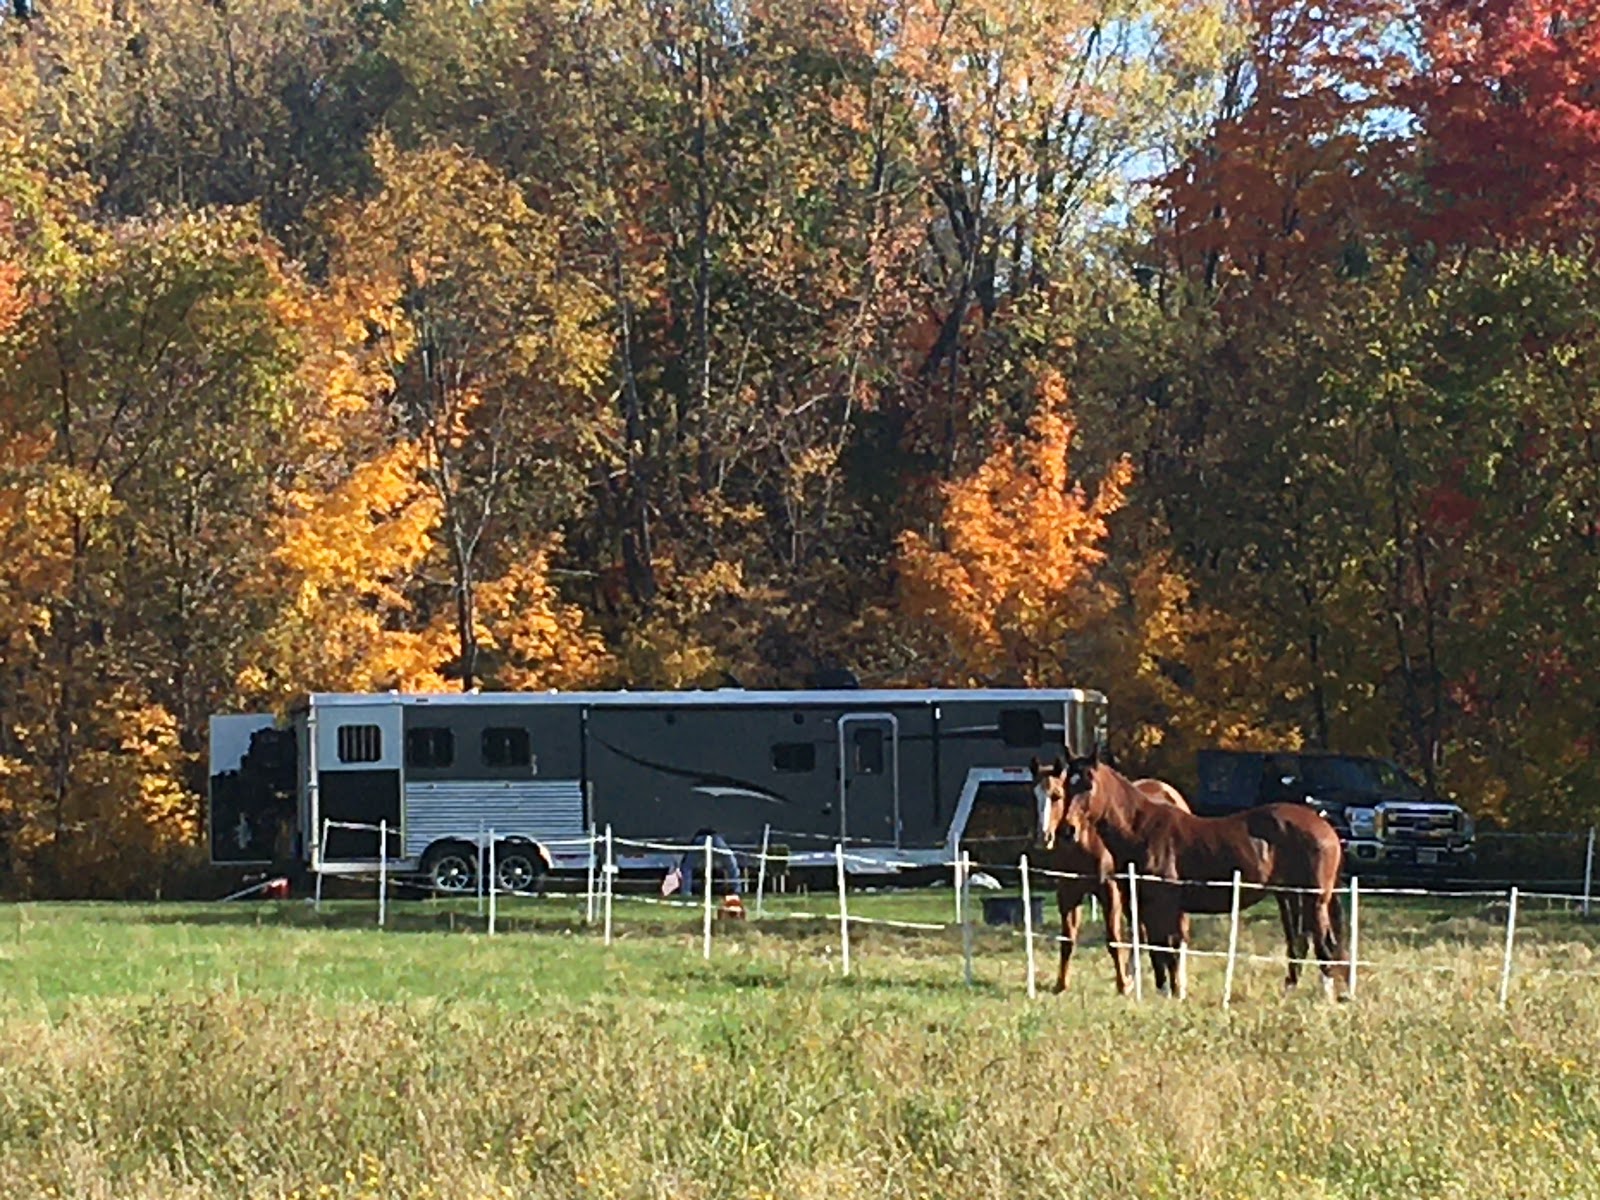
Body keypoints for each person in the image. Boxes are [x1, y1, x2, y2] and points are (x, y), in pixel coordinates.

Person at [661, 828, 742, 902]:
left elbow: (686, 864)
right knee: (732, 865)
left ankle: (686, 893)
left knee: (687, 868)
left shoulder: (696, 838)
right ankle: (736, 890)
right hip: (713, 839)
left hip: (704, 840)